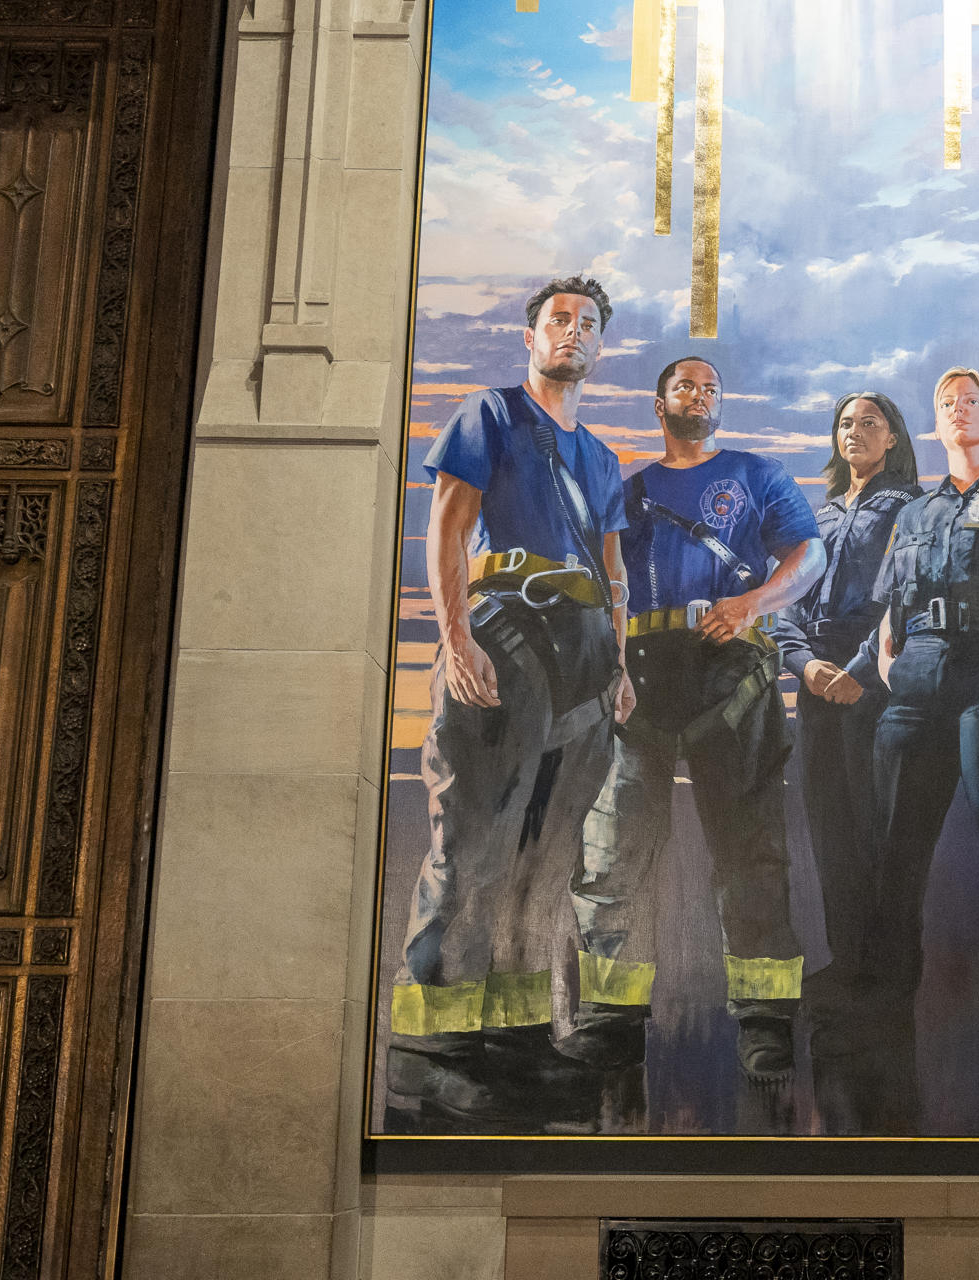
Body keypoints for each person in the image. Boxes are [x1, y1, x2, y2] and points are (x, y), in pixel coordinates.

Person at [388, 276, 636, 1124]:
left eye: (587, 323)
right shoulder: (488, 416)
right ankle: (432, 1051)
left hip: (586, 657)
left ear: (599, 348)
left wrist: (623, 665)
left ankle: (519, 1038)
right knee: (475, 846)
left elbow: (614, 572)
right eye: (558, 320)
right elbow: (449, 528)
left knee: (548, 858)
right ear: (530, 338)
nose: (572, 331)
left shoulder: (602, 458)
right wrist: (454, 638)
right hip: (505, 635)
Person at [566, 356, 826, 1082]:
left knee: (751, 851)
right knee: (612, 852)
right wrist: (608, 667)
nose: (700, 395)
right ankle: (610, 1024)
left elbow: (809, 555)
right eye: (686, 385)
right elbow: (601, 582)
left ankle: (766, 1022)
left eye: (711, 386)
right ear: (660, 404)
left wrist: (752, 605)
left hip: (730, 674)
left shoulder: (756, 475)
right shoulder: (631, 492)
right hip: (641, 674)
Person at [857, 367, 979, 1129]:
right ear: (933, 428)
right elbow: (890, 603)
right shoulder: (914, 511)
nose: (957, 408)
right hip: (917, 686)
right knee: (891, 867)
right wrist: (886, 656)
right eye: (945, 403)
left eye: (971, 399)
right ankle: (879, 1042)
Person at [772, 393, 923, 1128]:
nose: (853, 432)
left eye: (868, 422)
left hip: (876, 682)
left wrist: (858, 670)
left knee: (877, 830)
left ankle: (882, 977)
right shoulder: (820, 515)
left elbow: (907, 596)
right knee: (830, 828)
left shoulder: (912, 508)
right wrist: (804, 666)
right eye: (844, 424)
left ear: (892, 437)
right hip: (817, 683)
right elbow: (787, 606)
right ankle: (845, 963)